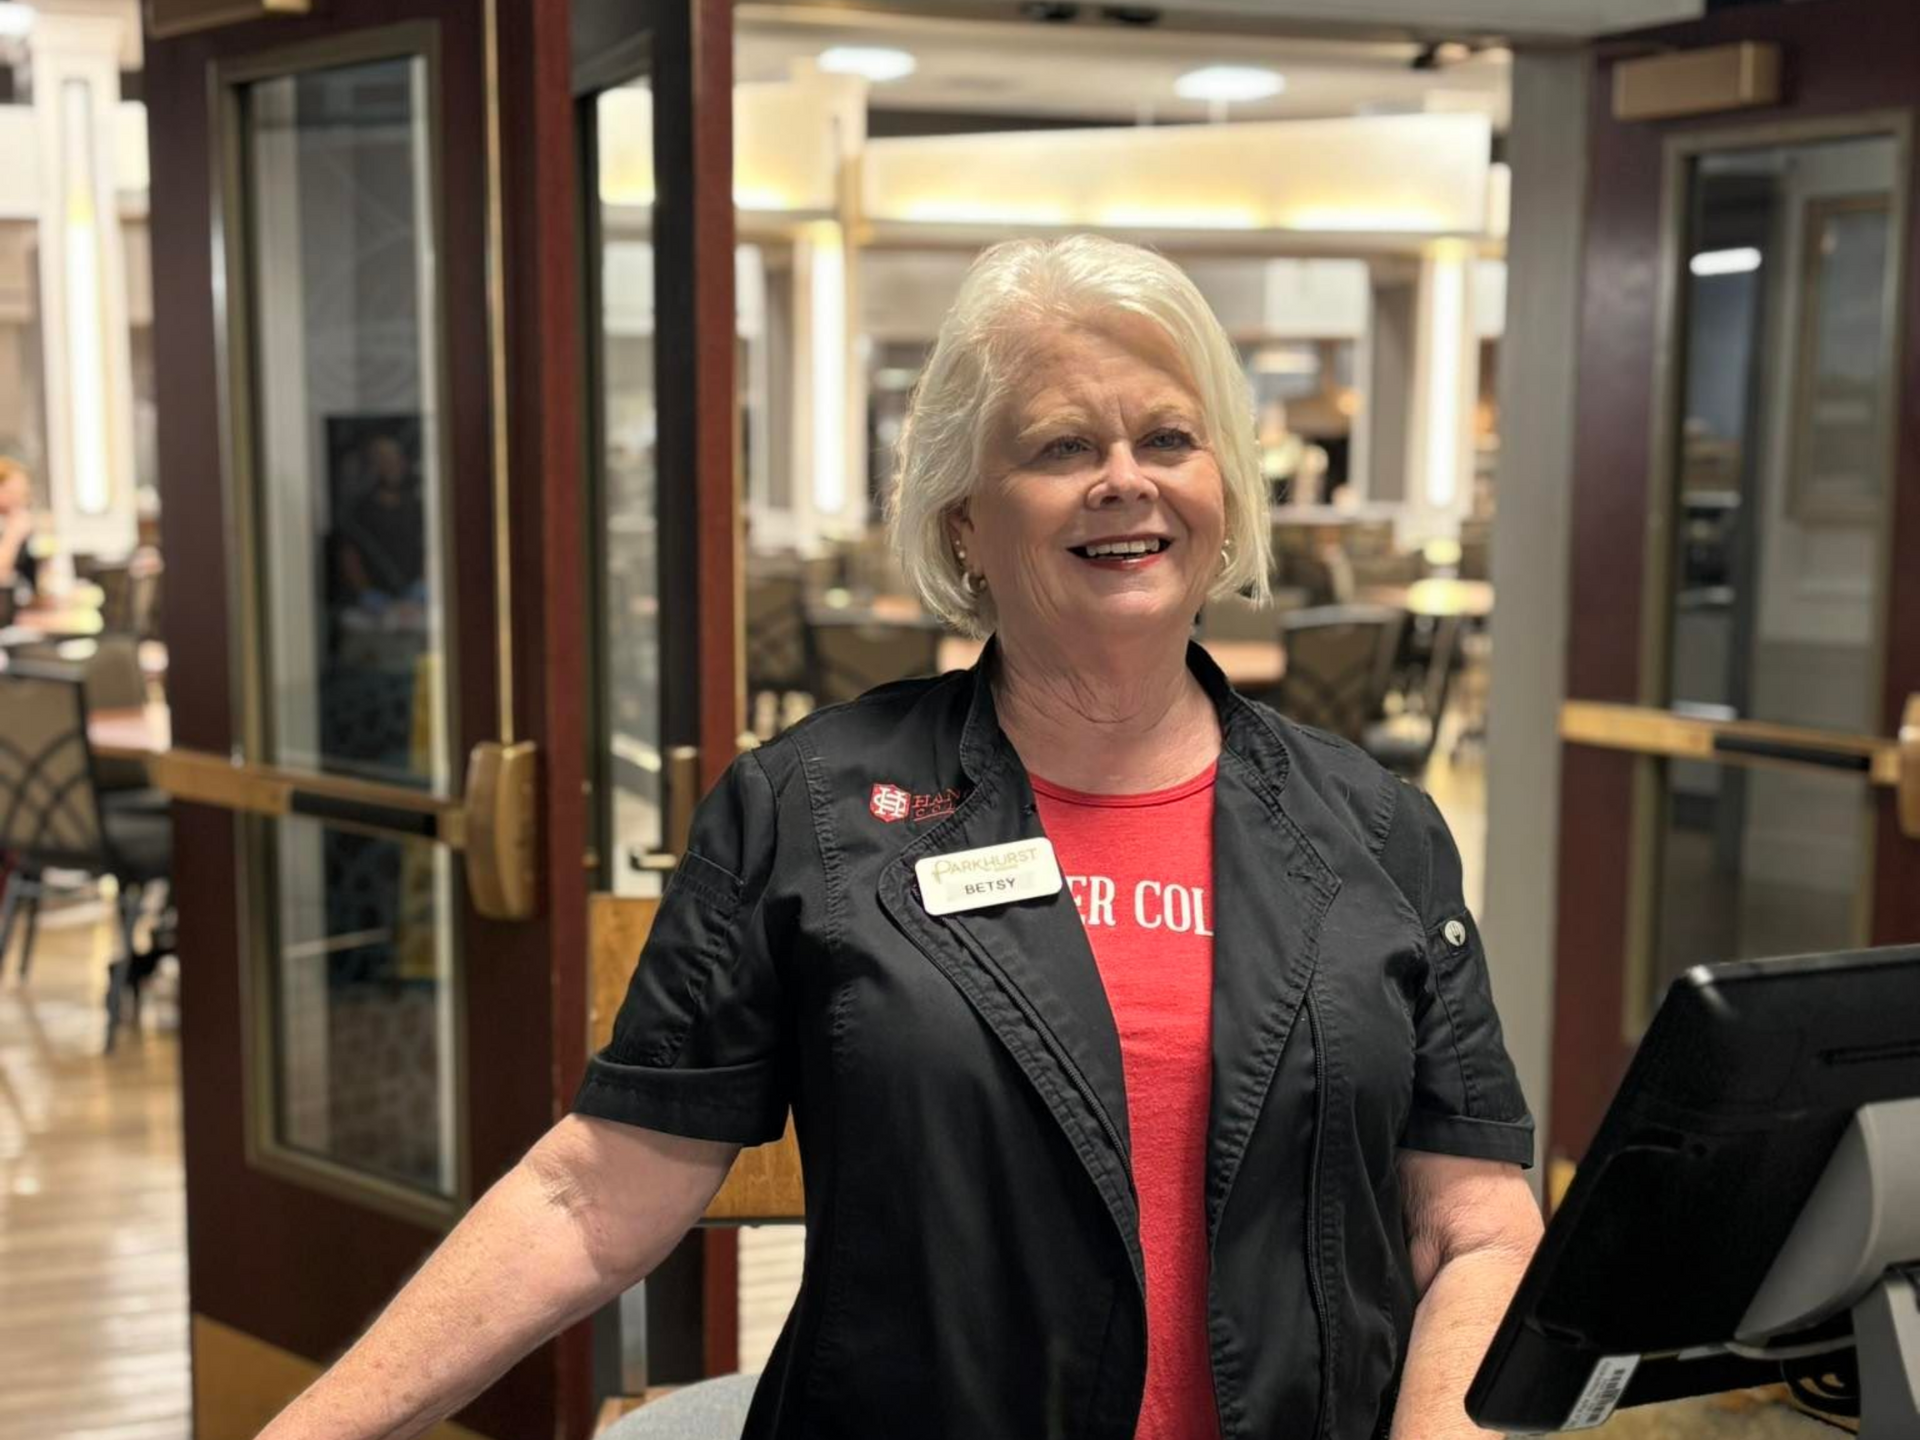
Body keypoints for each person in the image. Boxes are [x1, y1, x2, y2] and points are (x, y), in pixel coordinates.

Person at [259, 236, 1540, 1440]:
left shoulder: (1375, 830)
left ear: (1221, 491)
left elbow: (1475, 1220)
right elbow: (596, 1191)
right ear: (963, 523)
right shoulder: (809, 811)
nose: (1125, 479)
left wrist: (1436, 1424)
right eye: (1057, 445)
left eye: (1168, 437)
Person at [0, 455, 39, 601]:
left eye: (24, 492)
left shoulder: (13, 521)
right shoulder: (13, 528)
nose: (21, 498)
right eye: (13, 491)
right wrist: (13, 535)